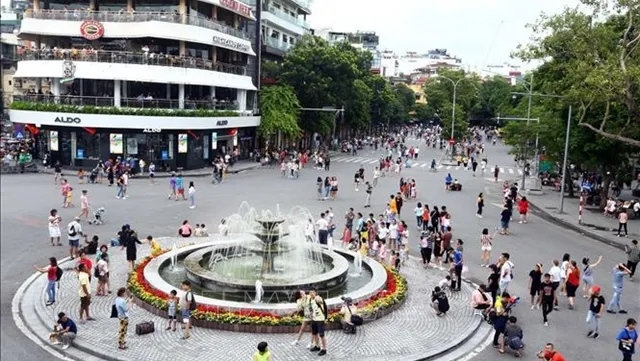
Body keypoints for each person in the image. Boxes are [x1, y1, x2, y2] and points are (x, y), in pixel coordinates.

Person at [308, 288, 328, 356]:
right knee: (314, 333)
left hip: (320, 319)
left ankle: (324, 349)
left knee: (321, 335)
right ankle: (317, 346)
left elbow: (321, 302)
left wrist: (318, 298)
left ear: (315, 293)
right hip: (314, 319)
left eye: (313, 292)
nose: (311, 294)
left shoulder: (318, 298)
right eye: (310, 292)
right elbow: (312, 308)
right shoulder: (310, 299)